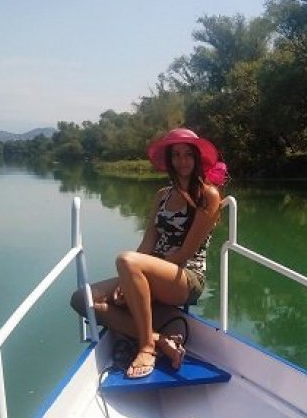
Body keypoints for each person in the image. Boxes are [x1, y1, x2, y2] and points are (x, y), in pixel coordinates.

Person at [71, 128, 228, 379]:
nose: (182, 161)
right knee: (82, 298)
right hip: (151, 271)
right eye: (176, 155)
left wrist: (137, 272)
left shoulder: (208, 195)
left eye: (188, 154)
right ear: (169, 160)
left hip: (186, 276)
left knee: (126, 260)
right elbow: (147, 244)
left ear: (197, 158)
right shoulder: (162, 195)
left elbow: (185, 253)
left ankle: (146, 347)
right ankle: (160, 339)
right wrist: (126, 282)